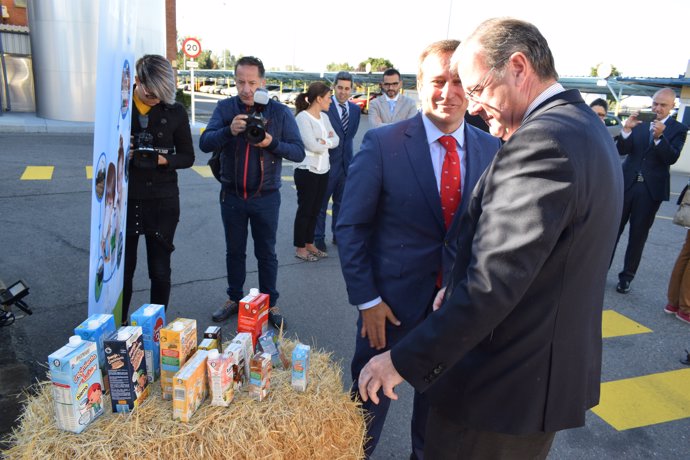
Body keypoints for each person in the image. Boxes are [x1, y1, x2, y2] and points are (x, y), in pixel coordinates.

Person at [357, 18, 624, 459]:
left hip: (499, 391)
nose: (474, 105)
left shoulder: (543, 143)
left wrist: (400, 360)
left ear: (518, 67)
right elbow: (537, 259)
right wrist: (455, 284)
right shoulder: (582, 128)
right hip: (530, 385)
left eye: (478, 89)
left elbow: (491, 286)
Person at [336, 40, 501, 458]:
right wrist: (367, 300)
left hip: (454, 317)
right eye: (438, 81)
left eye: (460, 82)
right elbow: (351, 227)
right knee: (363, 420)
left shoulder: (493, 149)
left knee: (435, 427)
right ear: (419, 85)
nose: (449, 92)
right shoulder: (383, 143)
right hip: (386, 313)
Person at [199, 56, 305, 330]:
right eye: (240, 82)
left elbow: (298, 151)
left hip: (266, 197)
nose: (246, 89)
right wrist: (228, 130)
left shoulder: (279, 113)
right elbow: (204, 143)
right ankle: (234, 298)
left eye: (252, 82)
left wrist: (271, 142)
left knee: (266, 253)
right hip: (232, 196)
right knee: (234, 251)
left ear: (263, 82)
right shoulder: (225, 108)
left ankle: (270, 302)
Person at [122, 54, 194, 324]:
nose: (156, 101)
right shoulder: (120, 105)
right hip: (126, 200)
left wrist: (162, 159)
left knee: (160, 271)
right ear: (138, 81)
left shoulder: (174, 110)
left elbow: (187, 156)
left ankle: (155, 328)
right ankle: (119, 327)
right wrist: (121, 149)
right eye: (151, 95)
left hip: (163, 200)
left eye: (162, 96)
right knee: (124, 272)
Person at [611, 87, 688, 294]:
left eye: (663, 105)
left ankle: (626, 277)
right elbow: (621, 151)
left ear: (673, 106)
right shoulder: (639, 122)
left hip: (650, 191)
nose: (657, 108)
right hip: (626, 185)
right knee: (611, 231)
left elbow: (671, 158)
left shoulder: (678, 129)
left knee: (638, 235)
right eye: (655, 103)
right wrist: (626, 131)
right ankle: (600, 270)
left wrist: (659, 138)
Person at [313, 71, 361, 253]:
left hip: (347, 164)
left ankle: (337, 235)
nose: (343, 92)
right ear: (334, 87)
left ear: (351, 89)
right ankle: (318, 237)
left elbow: (350, 136)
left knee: (341, 203)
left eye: (347, 88)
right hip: (326, 163)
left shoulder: (355, 110)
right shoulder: (325, 106)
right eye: (340, 87)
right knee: (322, 202)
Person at [293, 82, 339, 261]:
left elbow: (336, 140)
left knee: (316, 209)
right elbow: (310, 144)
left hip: (323, 169)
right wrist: (323, 142)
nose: (331, 101)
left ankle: (309, 242)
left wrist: (323, 142)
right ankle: (300, 247)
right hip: (307, 170)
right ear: (319, 99)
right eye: (329, 98)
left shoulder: (324, 118)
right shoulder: (302, 118)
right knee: (305, 209)